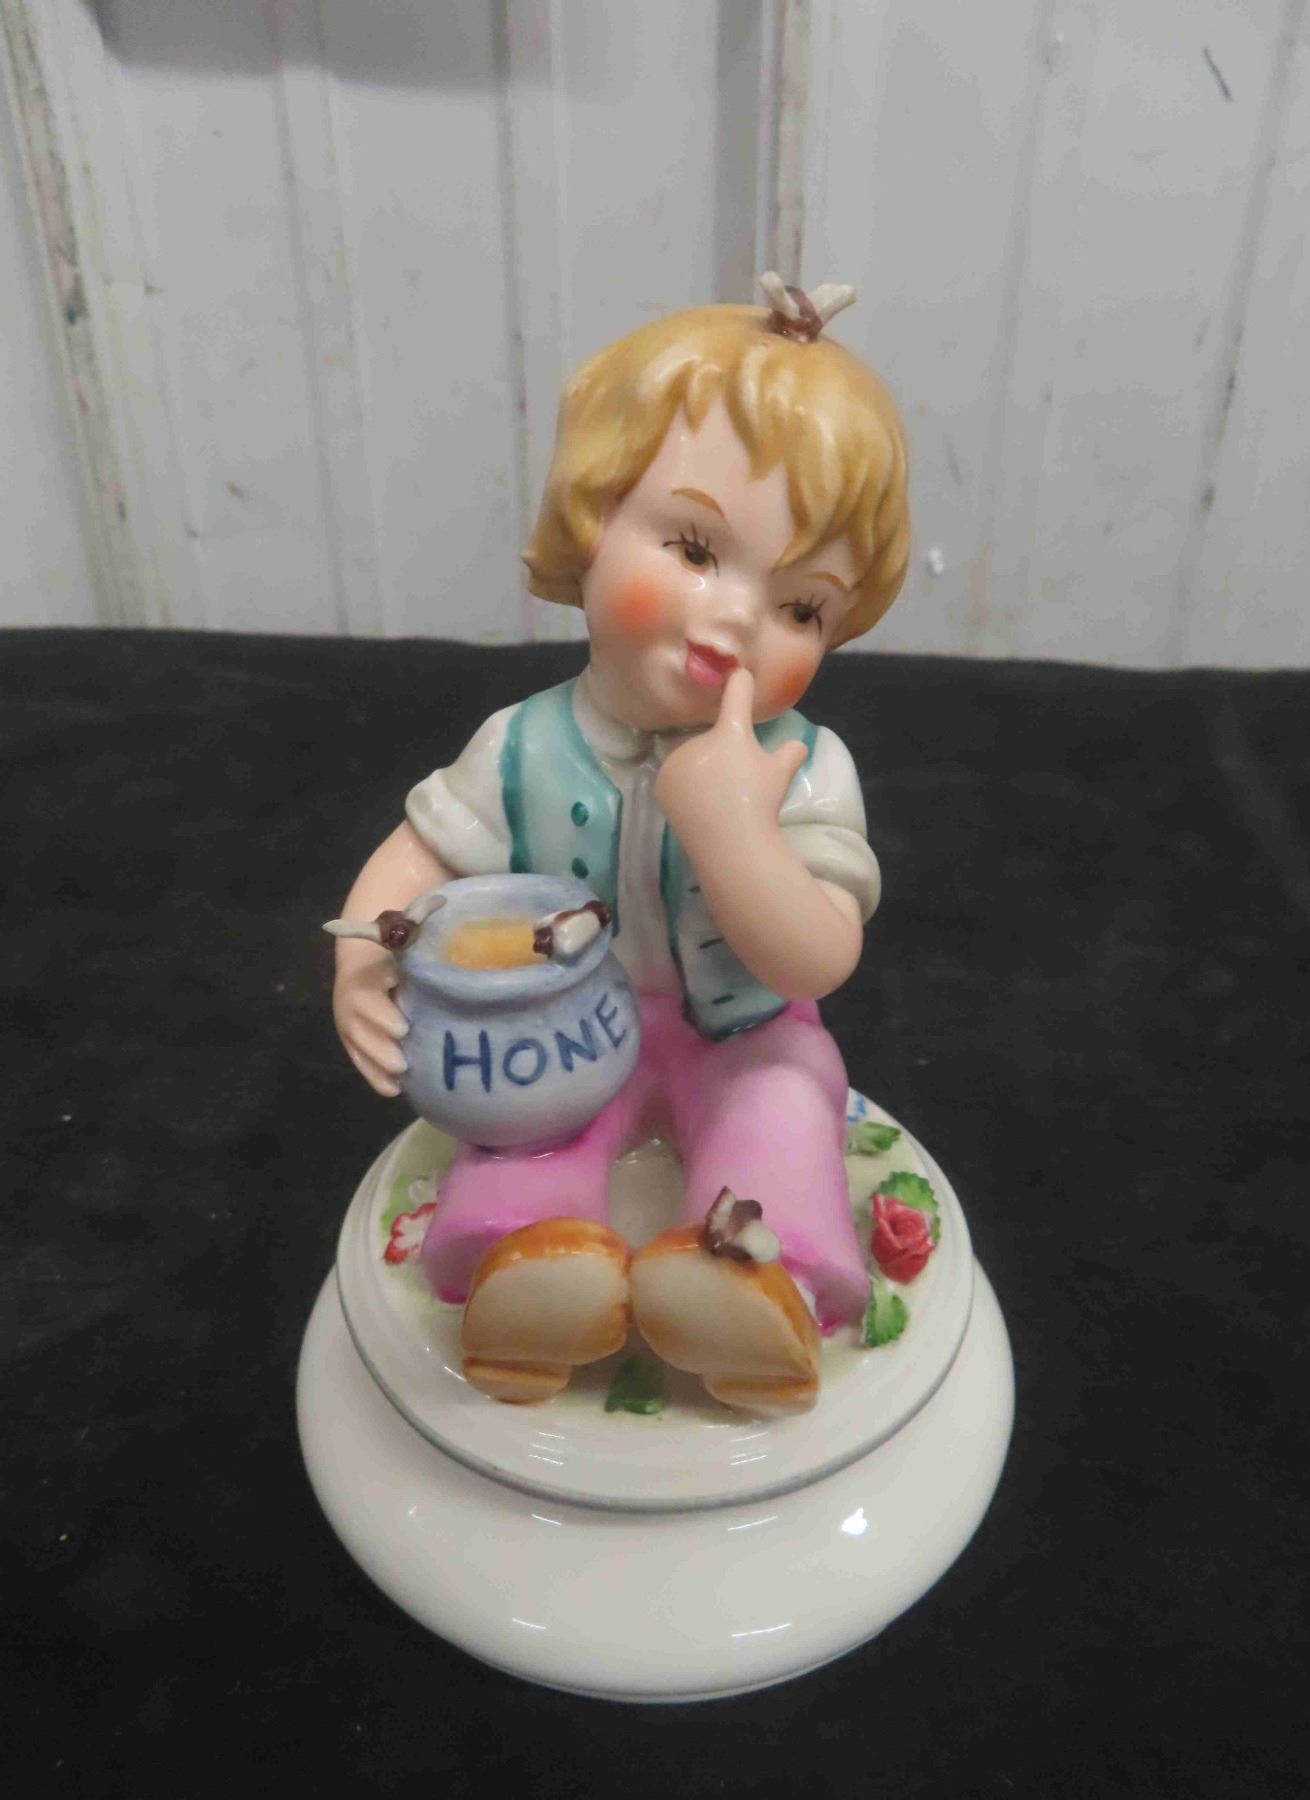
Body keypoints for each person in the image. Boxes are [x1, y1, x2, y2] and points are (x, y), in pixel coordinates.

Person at [333, 277, 910, 1414]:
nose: (737, 619)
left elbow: (816, 959)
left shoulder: (805, 765)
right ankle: (530, 1273)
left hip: (745, 1032)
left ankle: (753, 1289)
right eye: (696, 548)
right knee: (519, 1133)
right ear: (593, 520)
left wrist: (734, 829)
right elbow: (419, 854)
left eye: (802, 608)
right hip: (559, 1027)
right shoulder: (521, 743)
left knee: (780, 1106)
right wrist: (360, 958)